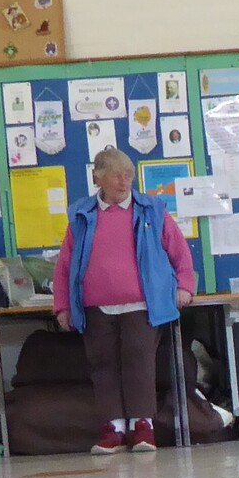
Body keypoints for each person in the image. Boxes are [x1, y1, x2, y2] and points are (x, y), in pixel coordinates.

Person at [53, 148, 197, 454]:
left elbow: (179, 251)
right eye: (116, 175)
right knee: (102, 365)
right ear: (98, 178)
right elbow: (65, 264)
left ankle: (143, 426)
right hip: (95, 307)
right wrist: (62, 306)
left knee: (139, 362)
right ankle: (113, 428)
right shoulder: (81, 215)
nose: (124, 181)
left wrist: (185, 285)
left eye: (128, 175)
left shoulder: (151, 210)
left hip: (141, 305)